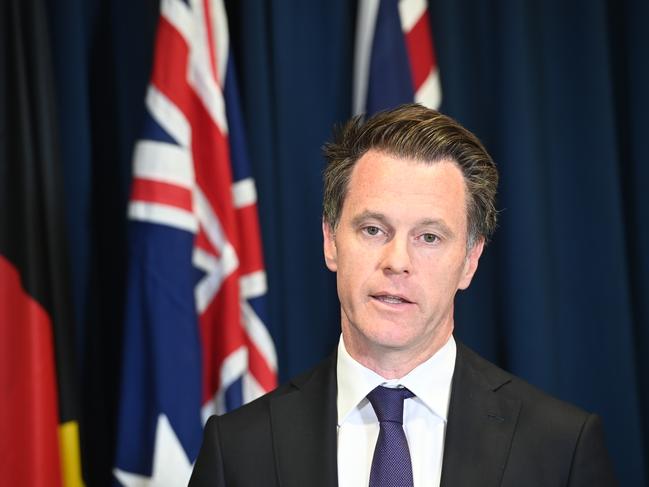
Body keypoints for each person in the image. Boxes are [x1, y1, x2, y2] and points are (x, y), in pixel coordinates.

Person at [189, 104, 617, 486]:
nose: (397, 262)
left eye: (429, 237)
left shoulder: (561, 449)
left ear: (470, 260)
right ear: (331, 241)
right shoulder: (239, 450)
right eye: (373, 229)